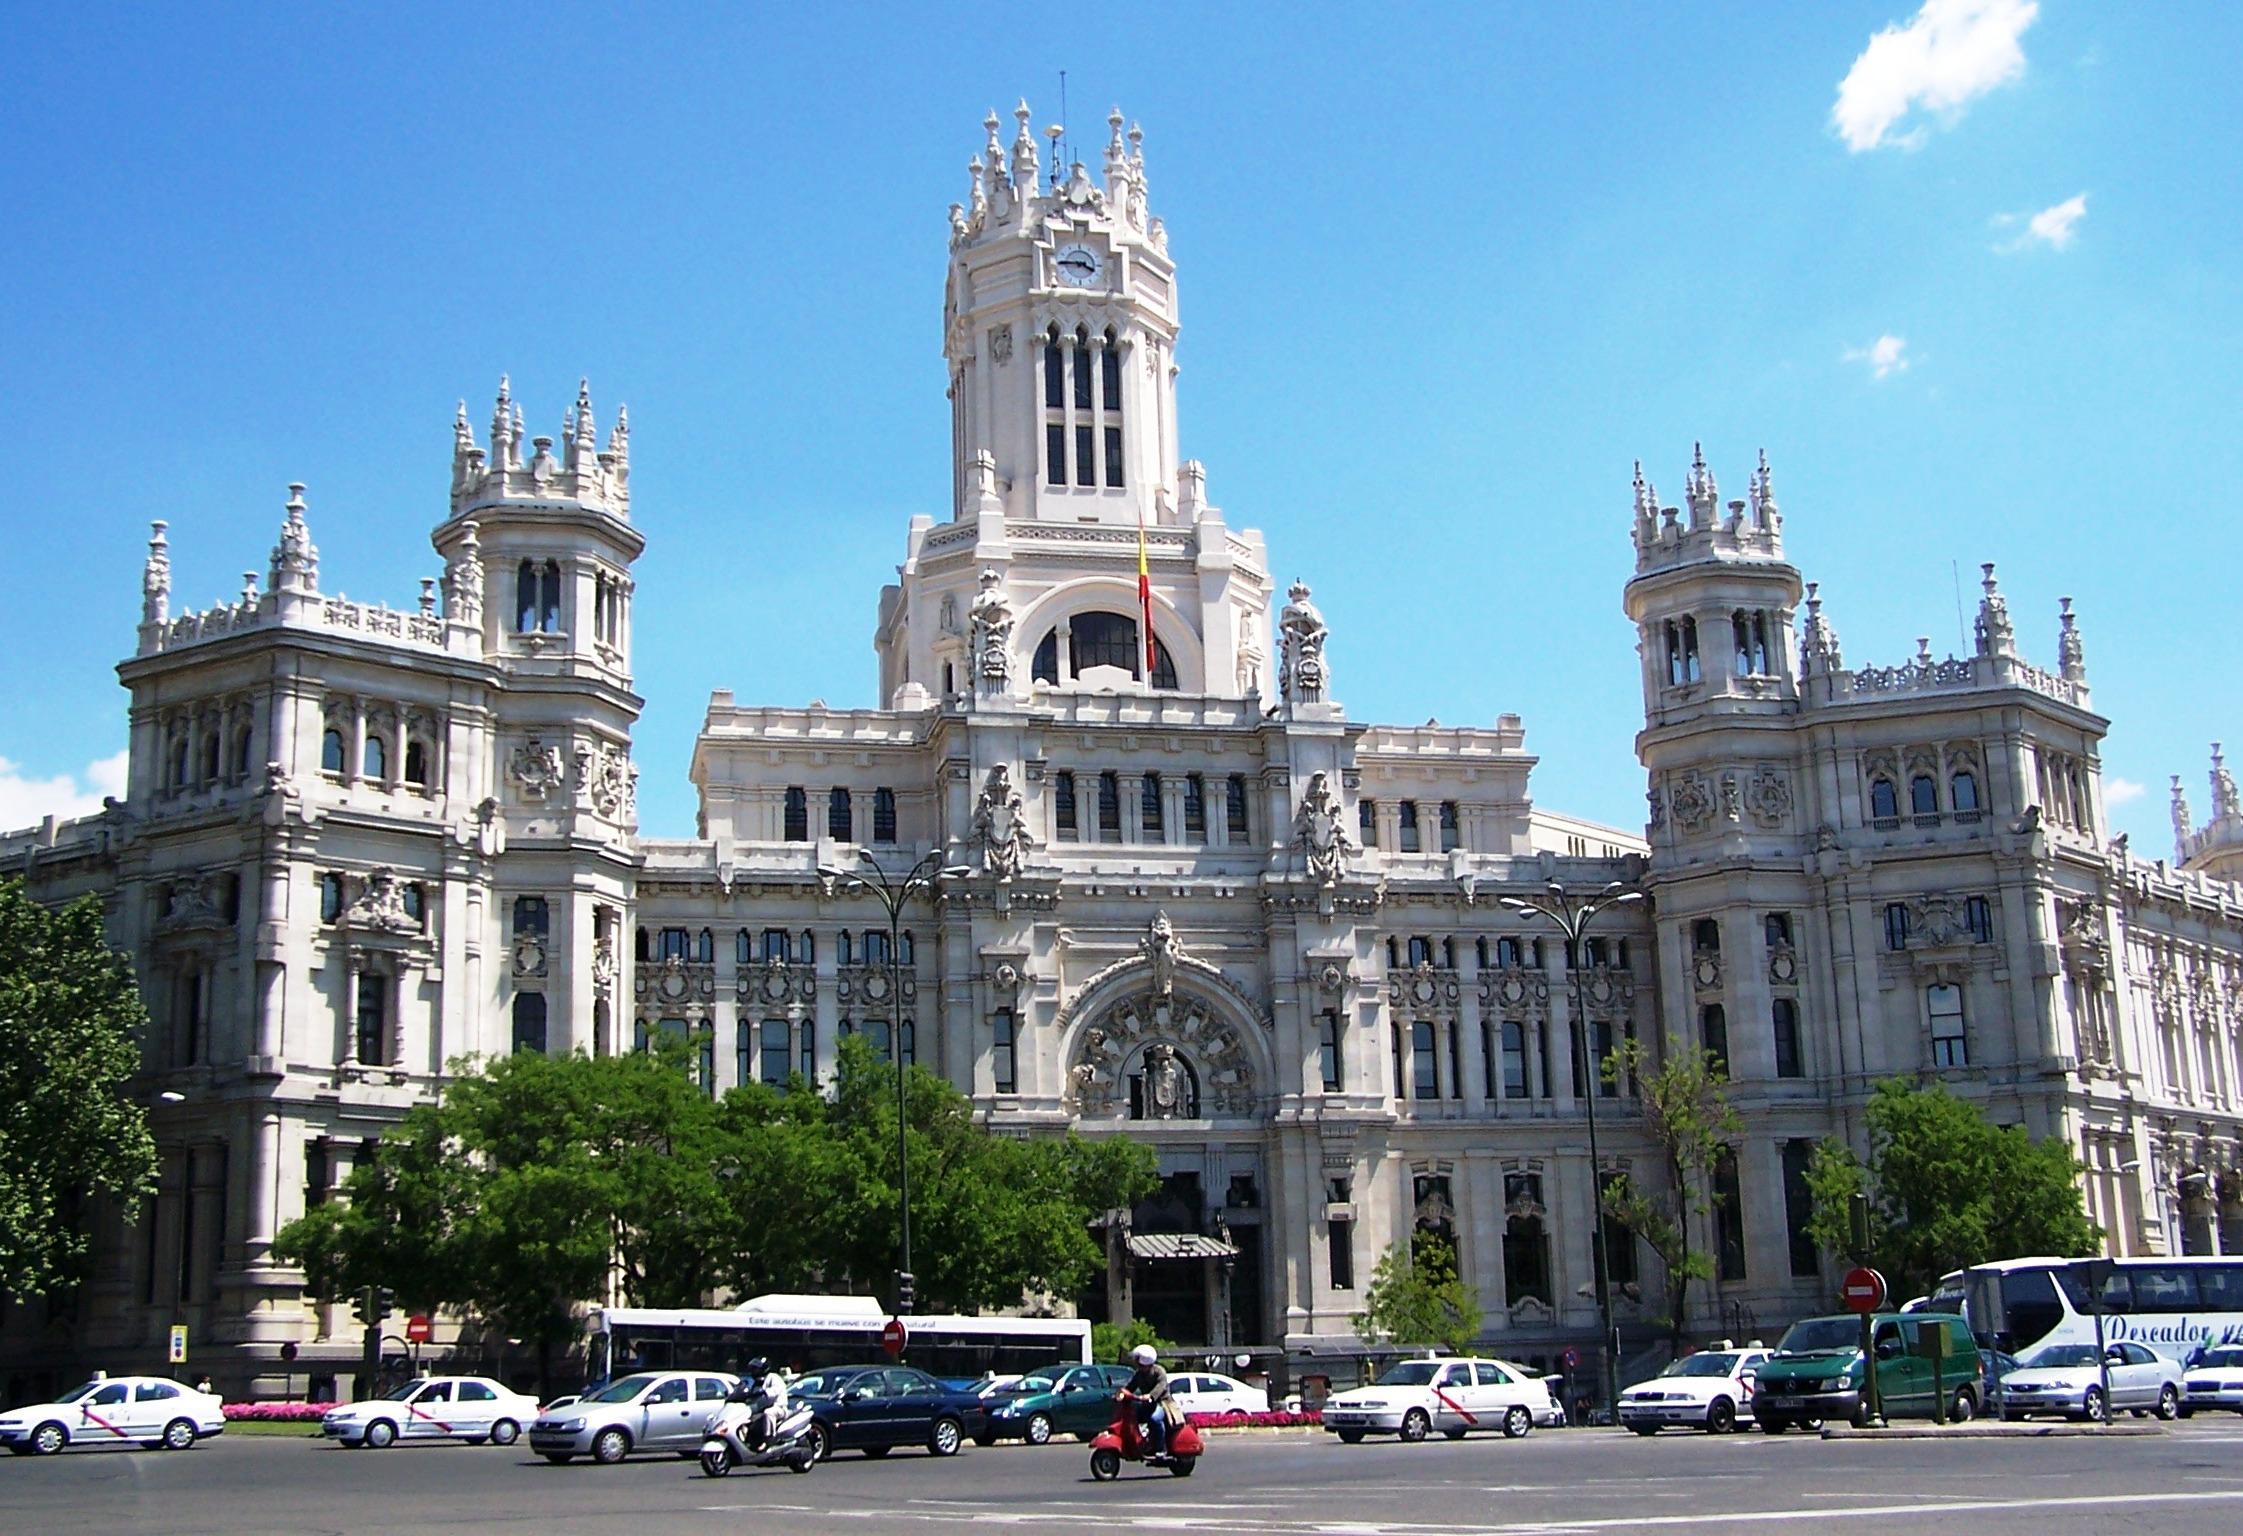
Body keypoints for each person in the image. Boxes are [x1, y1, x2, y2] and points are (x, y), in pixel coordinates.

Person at [1123, 1343, 1174, 1458]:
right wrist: (1122, 1393)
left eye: (1137, 1360)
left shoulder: (1159, 1371)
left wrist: (1151, 1396)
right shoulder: (1139, 1374)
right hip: (1147, 1404)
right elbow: (1131, 1386)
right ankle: (1143, 1443)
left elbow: (1161, 1386)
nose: (1136, 1362)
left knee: (1155, 1419)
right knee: (1132, 1416)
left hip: (1163, 1403)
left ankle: (1161, 1448)